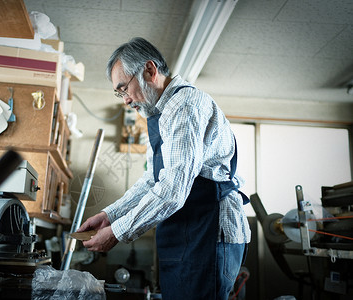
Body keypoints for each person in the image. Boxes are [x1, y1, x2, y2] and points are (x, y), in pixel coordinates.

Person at [77, 37, 251, 300]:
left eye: (124, 89)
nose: (125, 100)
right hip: (189, 231)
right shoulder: (159, 113)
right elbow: (153, 180)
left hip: (209, 231)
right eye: (119, 93)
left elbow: (171, 191)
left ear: (149, 70)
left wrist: (118, 232)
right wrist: (110, 215)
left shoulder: (185, 106)